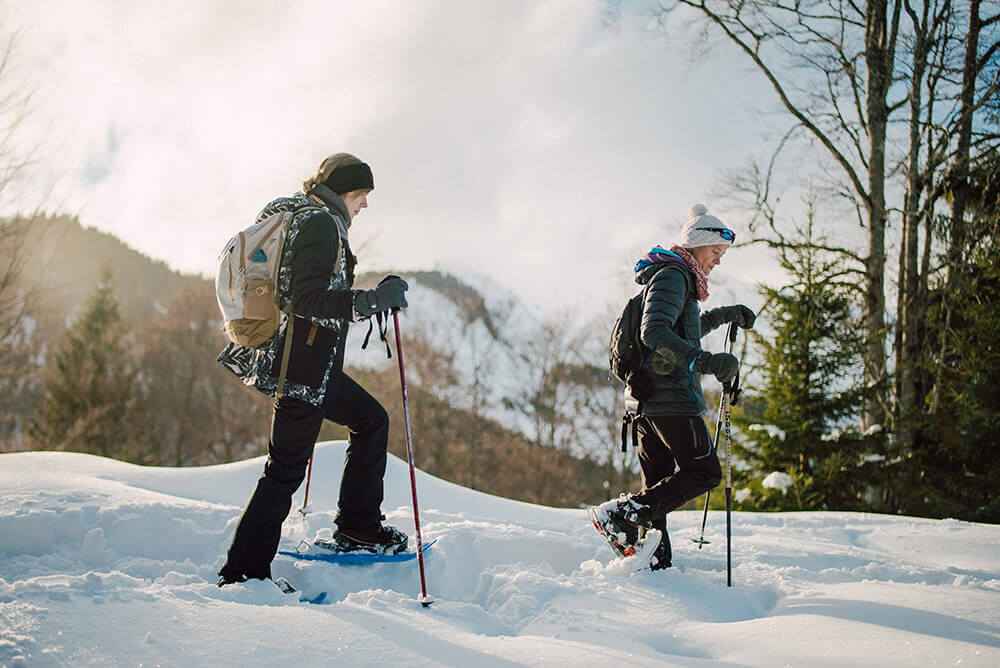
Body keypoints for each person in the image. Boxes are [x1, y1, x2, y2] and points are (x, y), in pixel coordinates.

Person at [216, 153, 410, 587]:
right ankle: (243, 573)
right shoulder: (321, 225)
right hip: (302, 371)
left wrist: (368, 299)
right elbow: (303, 299)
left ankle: (358, 527)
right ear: (345, 191)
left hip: (311, 367)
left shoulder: (310, 218)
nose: (364, 206)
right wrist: (369, 302)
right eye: (362, 196)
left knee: (370, 420)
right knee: (284, 470)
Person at [591, 203, 755, 570]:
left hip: (648, 402)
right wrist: (705, 362)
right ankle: (624, 515)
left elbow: (685, 327)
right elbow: (656, 332)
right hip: (670, 399)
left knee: (661, 487)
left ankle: (654, 564)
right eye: (716, 252)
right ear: (696, 245)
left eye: (722, 254)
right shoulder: (674, 275)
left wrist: (725, 315)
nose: (718, 261)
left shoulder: (676, 277)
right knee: (705, 472)